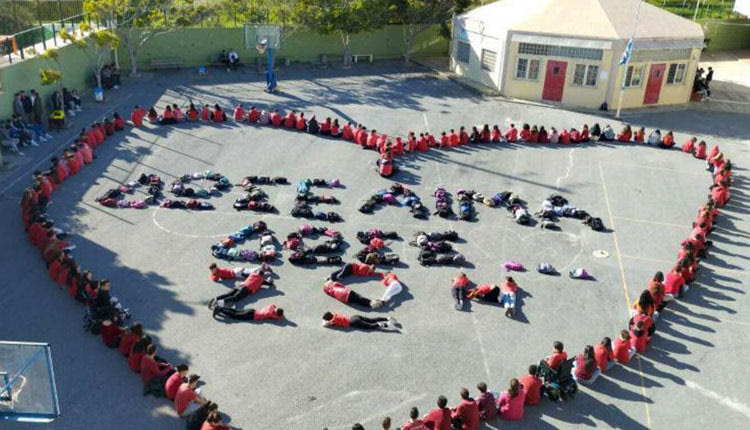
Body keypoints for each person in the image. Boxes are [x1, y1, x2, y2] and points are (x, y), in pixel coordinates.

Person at [321, 311, 398, 331]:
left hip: (353, 322)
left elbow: (326, 324)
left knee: (369, 326)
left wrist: (326, 323)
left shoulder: (333, 321)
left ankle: (386, 325)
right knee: (371, 319)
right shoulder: (335, 315)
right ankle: (387, 318)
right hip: (354, 316)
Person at [213, 303, 284, 322]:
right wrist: (280, 316)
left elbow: (273, 304)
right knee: (235, 315)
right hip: (252, 315)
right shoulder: (270, 313)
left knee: (235, 311)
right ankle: (219, 309)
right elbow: (278, 318)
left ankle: (220, 308)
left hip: (252, 310)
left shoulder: (271, 307)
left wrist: (275, 308)